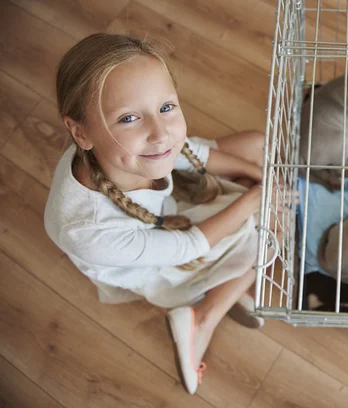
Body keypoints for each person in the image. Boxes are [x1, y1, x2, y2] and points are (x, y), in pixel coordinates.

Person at [44, 33, 272, 394]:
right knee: (267, 230)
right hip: (152, 262)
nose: (160, 133)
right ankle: (203, 319)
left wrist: (263, 178)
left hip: (163, 211)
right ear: (80, 132)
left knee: (258, 146)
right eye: (129, 117)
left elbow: (185, 149)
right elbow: (186, 247)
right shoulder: (86, 230)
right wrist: (256, 199)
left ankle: (224, 284)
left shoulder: (132, 150)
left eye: (166, 107)